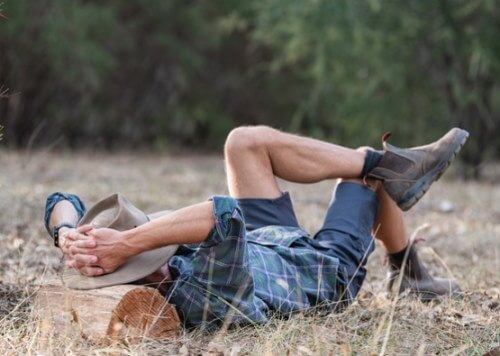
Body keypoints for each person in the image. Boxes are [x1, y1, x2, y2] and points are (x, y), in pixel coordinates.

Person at [44, 126, 468, 328]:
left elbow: (60, 201)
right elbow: (221, 213)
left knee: (242, 142)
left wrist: (66, 234)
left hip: (264, 239)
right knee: (360, 177)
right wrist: (131, 241)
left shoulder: (138, 257)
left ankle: (395, 165)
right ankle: (407, 269)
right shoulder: (195, 293)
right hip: (318, 270)